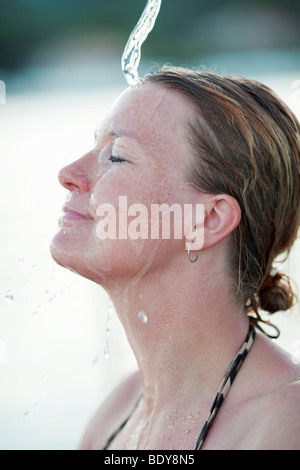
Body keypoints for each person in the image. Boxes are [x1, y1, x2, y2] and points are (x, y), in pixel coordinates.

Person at [50, 66, 300, 450]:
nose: (68, 174)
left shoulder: (287, 418)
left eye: (116, 156)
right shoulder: (117, 412)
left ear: (208, 219)